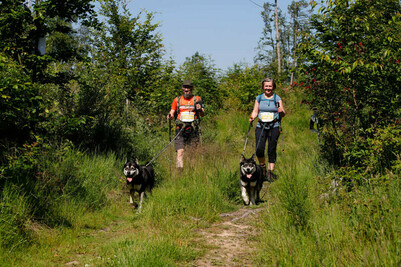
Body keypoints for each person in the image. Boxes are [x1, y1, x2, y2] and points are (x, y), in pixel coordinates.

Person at [249, 78, 286, 181]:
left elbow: (283, 113)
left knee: (271, 149)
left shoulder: (277, 98)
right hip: (261, 125)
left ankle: (270, 173)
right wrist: (252, 118)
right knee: (259, 149)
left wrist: (280, 111)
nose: (268, 88)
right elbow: (255, 111)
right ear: (263, 86)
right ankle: (263, 169)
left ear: (273, 87)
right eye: (266, 86)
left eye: (270, 86)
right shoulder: (259, 98)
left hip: (274, 126)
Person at [167, 80, 205, 171]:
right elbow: (172, 112)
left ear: (192, 89)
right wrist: (170, 116)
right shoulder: (177, 100)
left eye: (188, 88)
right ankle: (180, 172)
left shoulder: (197, 99)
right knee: (180, 152)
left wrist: (200, 110)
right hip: (180, 129)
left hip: (193, 129)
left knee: (192, 152)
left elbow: (203, 114)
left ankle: (192, 171)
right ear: (182, 89)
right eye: (185, 87)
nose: (186, 89)